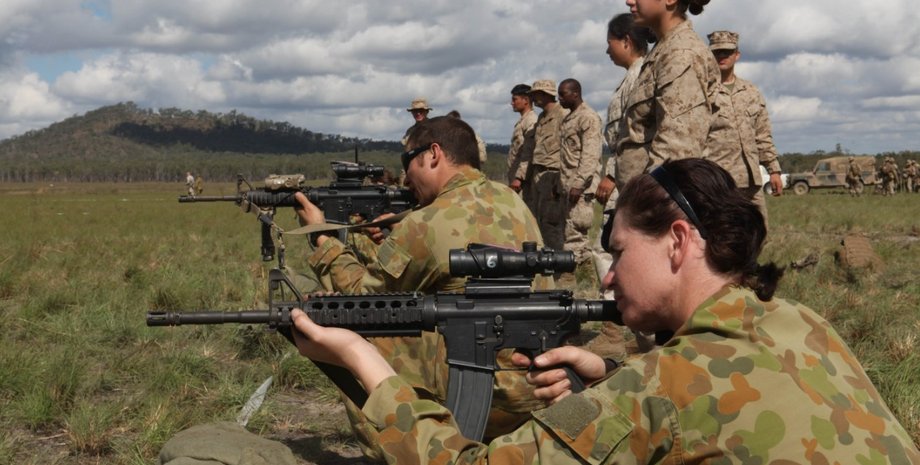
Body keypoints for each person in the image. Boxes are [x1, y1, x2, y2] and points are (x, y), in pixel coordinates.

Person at [289, 158, 920, 464]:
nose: (610, 274)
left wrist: (364, 361)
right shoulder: (802, 321)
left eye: (618, 252)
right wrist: (612, 378)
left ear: (678, 242)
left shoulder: (663, 386)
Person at [293, 115, 550, 459]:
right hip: (539, 388)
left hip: (492, 394)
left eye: (407, 162)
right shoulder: (512, 201)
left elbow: (361, 298)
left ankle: (400, 453)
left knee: (351, 329)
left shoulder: (426, 221)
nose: (406, 177)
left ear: (433, 154)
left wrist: (321, 238)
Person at [615, 0, 720, 188]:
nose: (629, 1)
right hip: (642, 196)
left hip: (657, 198)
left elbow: (676, 152)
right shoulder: (664, 49)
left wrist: (648, 198)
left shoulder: (681, 54)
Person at [592, 12, 652, 298]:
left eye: (610, 43)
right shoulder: (631, 77)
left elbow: (634, 135)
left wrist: (611, 173)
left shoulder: (639, 77)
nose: (607, 51)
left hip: (630, 177)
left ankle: (617, 309)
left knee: (608, 247)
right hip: (627, 177)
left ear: (626, 41)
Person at [705, 30, 783, 224]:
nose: (722, 56)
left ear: (737, 55)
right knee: (723, 231)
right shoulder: (703, 92)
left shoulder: (751, 92)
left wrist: (773, 170)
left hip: (751, 181)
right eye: (717, 52)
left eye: (727, 52)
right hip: (719, 181)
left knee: (759, 229)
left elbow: (762, 135)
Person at [557, 78, 603, 267]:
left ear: (575, 93)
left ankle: (572, 272)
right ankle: (582, 271)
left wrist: (579, 183)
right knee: (569, 232)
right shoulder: (569, 118)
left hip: (580, 188)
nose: (559, 98)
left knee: (576, 234)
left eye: (563, 94)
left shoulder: (588, 117)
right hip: (568, 185)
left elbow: (590, 155)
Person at [527, 79, 568, 254]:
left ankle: (558, 258)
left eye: (536, 94)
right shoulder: (541, 117)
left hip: (553, 173)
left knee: (552, 221)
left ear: (545, 94)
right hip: (539, 174)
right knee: (540, 219)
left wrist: (558, 180)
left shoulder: (563, 114)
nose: (533, 98)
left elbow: (567, 148)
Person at [506, 83, 538, 212]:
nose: (512, 103)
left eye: (515, 99)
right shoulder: (523, 121)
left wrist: (519, 178)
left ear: (526, 100)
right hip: (518, 180)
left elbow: (529, 152)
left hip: (524, 182)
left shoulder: (531, 121)